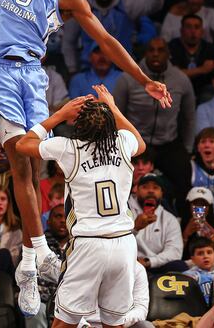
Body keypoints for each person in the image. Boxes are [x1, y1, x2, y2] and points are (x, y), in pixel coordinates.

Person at [0, 0, 170, 317]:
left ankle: (29, 265)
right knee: (17, 157)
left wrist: (143, 79)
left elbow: (106, 40)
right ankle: (38, 255)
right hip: (2, 72)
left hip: (32, 74)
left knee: (33, 164)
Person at [15, 84, 145, 327]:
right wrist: (113, 106)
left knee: (64, 323)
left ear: (78, 126)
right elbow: (141, 142)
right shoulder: (124, 142)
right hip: (124, 243)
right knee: (114, 324)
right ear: (109, 124)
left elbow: (23, 145)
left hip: (89, 243)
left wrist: (59, 115)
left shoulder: (69, 148)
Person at [113, 38, 193, 190]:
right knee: (123, 184)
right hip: (136, 142)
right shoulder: (128, 78)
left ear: (168, 54)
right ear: (145, 53)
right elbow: (116, 113)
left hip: (168, 143)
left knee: (183, 174)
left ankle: (181, 213)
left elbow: (189, 118)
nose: (156, 54)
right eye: (151, 50)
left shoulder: (181, 80)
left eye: (160, 50)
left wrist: (188, 149)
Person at [130, 173, 183, 273]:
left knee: (179, 266)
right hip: (130, 263)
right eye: (145, 187)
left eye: (155, 188)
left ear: (162, 193)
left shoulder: (169, 219)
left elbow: (175, 251)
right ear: (136, 190)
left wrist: (149, 262)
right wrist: (135, 228)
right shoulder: (125, 210)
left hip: (156, 266)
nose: (150, 191)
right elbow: (115, 242)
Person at [168, 13, 214, 97]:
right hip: (178, 88)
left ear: (202, 31)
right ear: (181, 30)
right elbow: (173, 75)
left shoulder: (210, 49)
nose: (193, 31)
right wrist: (202, 69)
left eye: (197, 27)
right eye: (188, 27)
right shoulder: (172, 47)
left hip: (205, 89)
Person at [181, 186, 214, 266]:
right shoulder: (176, 223)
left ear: (210, 208)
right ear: (188, 205)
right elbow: (174, 258)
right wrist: (185, 236)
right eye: (196, 204)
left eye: (204, 205)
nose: (199, 208)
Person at [183, 236, 214, 306]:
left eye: (209, 252)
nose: (205, 256)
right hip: (198, 310)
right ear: (192, 259)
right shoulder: (190, 275)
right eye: (200, 253)